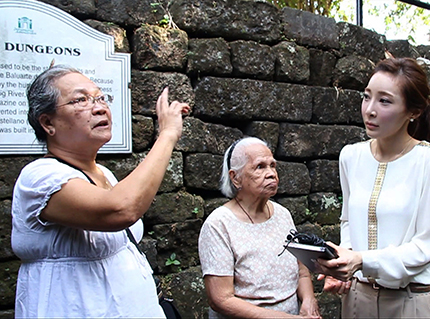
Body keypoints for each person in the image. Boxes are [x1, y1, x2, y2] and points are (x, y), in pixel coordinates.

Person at [11, 65, 190, 318]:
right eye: (80, 100)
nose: (99, 107)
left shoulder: (104, 174)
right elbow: (121, 209)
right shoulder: (40, 177)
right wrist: (168, 134)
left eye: (100, 97)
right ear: (48, 123)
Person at [315, 57, 430, 318]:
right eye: (367, 97)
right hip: (357, 299)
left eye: (385, 101)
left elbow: (425, 247)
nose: (370, 109)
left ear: (413, 112)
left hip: (412, 301)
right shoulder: (350, 156)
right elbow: (348, 221)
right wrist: (344, 264)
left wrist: (361, 261)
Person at [198, 137, 321, 318]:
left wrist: (309, 300)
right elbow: (221, 300)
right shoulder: (219, 224)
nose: (272, 173)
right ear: (235, 178)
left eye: (273, 165)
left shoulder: (283, 215)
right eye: (260, 167)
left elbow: (301, 271)